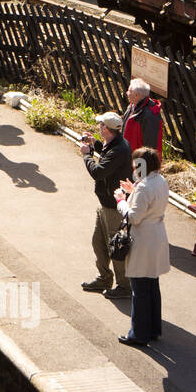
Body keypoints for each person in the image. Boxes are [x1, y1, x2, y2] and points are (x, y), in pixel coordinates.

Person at [113, 146, 170, 345]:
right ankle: (153, 329)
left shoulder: (145, 186)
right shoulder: (160, 181)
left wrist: (121, 201)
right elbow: (149, 200)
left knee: (139, 289)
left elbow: (134, 217)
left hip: (143, 239)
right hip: (157, 236)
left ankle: (138, 334)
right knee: (152, 285)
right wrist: (134, 191)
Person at [80, 111, 133, 298]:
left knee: (116, 246)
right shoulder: (114, 143)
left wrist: (87, 155)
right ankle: (104, 277)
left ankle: (124, 286)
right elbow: (106, 154)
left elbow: (99, 172)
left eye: (100, 125)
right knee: (98, 242)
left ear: (106, 128)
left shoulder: (119, 149)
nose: (99, 127)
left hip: (113, 207)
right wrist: (94, 144)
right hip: (105, 203)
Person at [123, 78, 164, 153]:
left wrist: (142, 163)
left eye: (129, 91)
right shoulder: (132, 106)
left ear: (136, 95)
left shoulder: (150, 116)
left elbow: (150, 146)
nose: (126, 93)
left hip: (140, 160)